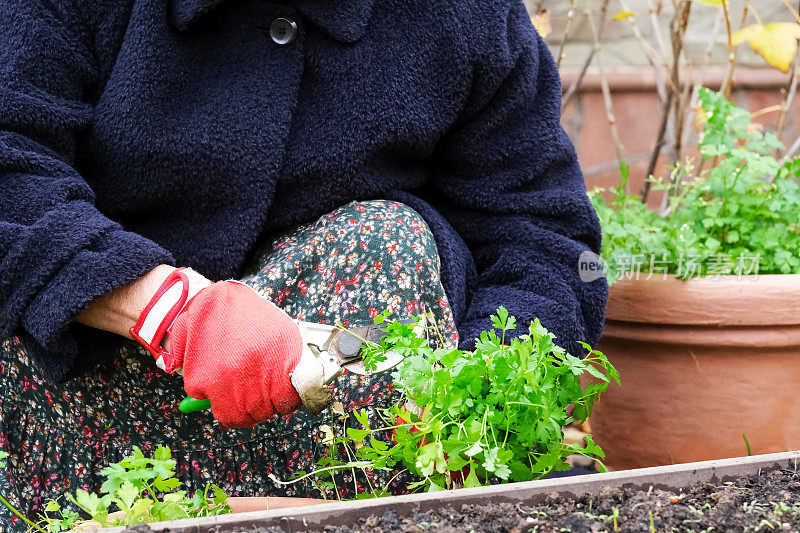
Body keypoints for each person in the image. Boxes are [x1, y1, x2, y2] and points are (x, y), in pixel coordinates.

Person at [0, 0, 608, 527]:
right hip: (84, 415)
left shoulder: (462, 15)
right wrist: (170, 310)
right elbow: (13, 167)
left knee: (386, 242)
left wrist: (476, 392)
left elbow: (543, 235)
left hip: (349, 422)